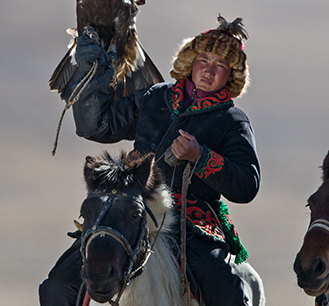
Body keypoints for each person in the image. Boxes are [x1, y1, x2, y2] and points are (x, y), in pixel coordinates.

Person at [39, 16, 259, 306]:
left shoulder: (232, 121)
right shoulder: (155, 97)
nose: (208, 70)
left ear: (231, 75)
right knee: (56, 287)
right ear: (191, 60)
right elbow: (96, 126)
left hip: (190, 219)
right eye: (203, 59)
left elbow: (247, 184)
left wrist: (200, 156)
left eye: (220, 65)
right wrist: (91, 76)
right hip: (131, 206)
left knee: (227, 295)